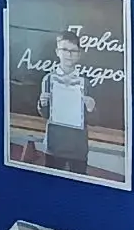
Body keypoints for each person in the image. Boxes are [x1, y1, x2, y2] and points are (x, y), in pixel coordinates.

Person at [38, 31, 93, 175]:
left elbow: (92, 118)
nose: (69, 54)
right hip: (55, 145)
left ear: (79, 54)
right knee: (52, 182)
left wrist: (91, 108)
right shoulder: (48, 79)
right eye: (65, 49)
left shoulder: (85, 82)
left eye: (73, 51)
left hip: (78, 147)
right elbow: (46, 114)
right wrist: (42, 104)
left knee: (79, 182)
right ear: (57, 52)